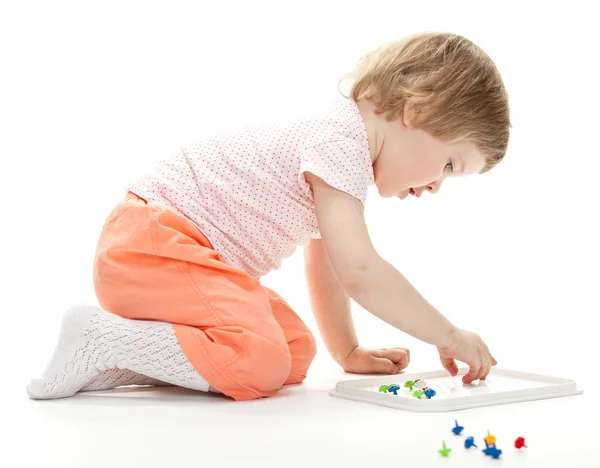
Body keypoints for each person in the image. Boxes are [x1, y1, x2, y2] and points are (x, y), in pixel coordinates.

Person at [27, 31, 509, 401]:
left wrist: (346, 351)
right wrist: (447, 335)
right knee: (260, 360)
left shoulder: (345, 154)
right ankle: (100, 337)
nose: (434, 187)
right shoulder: (339, 142)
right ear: (418, 109)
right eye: (449, 165)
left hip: (172, 253)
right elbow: (361, 271)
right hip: (154, 245)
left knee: (293, 350)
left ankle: (116, 357)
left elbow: (330, 267)